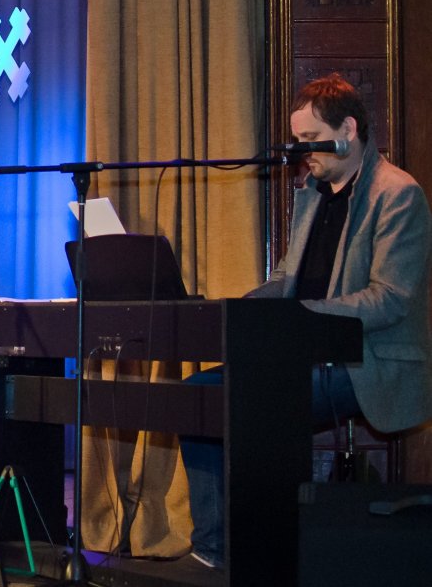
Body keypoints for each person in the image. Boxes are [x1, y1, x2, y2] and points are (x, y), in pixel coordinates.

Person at [180, 74, 432, 568]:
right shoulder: (313, 193)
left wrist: (299, 318)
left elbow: (389, 300)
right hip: (303, 352)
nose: (302, 152)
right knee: (198, 397)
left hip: (368, 361)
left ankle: (263, 553)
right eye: (297, 140)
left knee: (254, 402)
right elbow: (286, 278)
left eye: (312, 140)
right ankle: (215, 550)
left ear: (349, 130)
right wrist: (236, 309)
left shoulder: (398, 194)